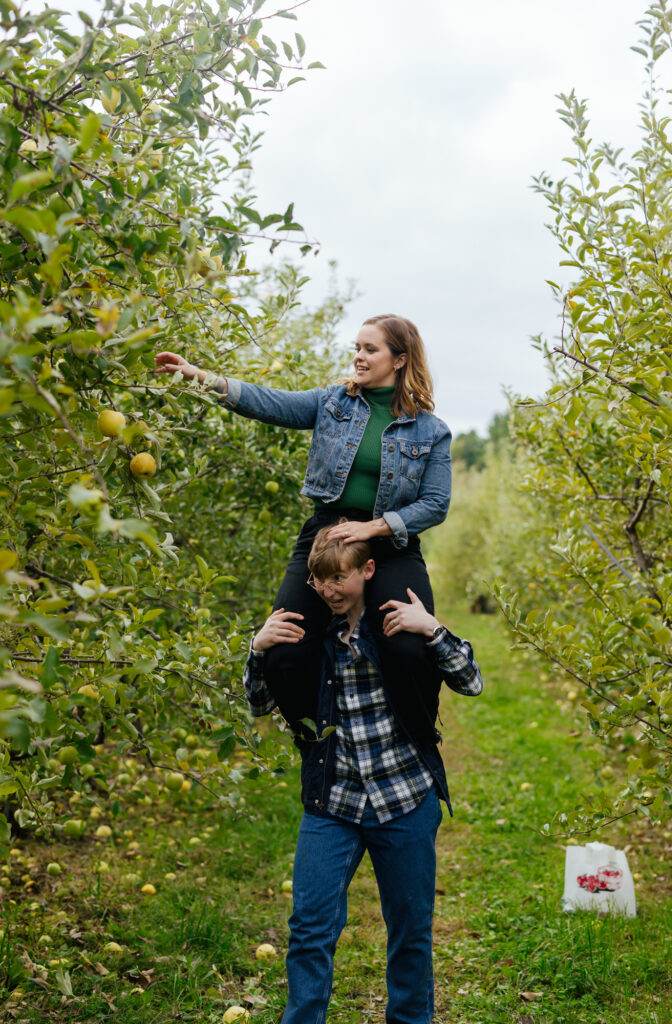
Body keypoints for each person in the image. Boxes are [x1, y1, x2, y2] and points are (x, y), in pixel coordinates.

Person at [154, 314, 451, 733]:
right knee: (284, 651)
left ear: (400, 360)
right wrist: (201, 377)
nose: (359, 358)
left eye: (370, 350)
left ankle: (417, 737)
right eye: (357, 348)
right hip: (325, 536)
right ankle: (318, 741)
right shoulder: (333, 403)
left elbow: (436, 504)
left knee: (409, 647)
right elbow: (270, 402)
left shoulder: (431, 430)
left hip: (391, 543)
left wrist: (373, 528)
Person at [243, 522, 483, 1024]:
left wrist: (431, 628)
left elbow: (470, 681)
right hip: (335, 801)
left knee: (410, 931)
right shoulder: (310, 639)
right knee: (309, 927)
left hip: (404, 796)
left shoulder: (396, 627)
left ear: (368, 570)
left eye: (340, 578)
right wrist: (258, 649)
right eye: (320, 581)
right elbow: (260, 704)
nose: (330, 591)